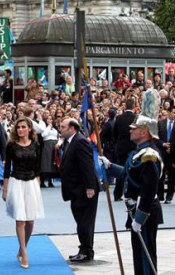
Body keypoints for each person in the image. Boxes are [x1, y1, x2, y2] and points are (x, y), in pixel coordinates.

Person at [99, 110, 163, 275]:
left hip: (145, 210)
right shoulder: (139, 152)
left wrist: (140, 218)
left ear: (144, 132)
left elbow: (148, 191)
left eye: (134, 128)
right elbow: (130, 175)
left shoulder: (150, 156)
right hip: (136, 208)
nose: (130, 130)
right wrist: (110, 166)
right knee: (138, 252)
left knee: (145, 253)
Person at [2, 117, 44, 269]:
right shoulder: (11, 146)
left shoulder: (36, 145)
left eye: (23, 127)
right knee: (20, 220)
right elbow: (7, 169)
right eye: (18, 127)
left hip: (32, 182)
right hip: (16, 182)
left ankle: (22, 246)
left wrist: (38, 186)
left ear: (29, 129)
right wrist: (5, 189)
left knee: (30, 221)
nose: (20, 130)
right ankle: (25, 253)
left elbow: (38, 167)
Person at [59, 118, 99, 262]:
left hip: (84, 189)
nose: (60, 128)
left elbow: (87, 166)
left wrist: (89, 187)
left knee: (84, 221)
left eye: (63, 126)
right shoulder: (70, 141)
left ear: (72, 128)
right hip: (76, 189)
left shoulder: (80, 141)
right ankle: (85, 248)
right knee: (81, 220)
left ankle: (86, 251)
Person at [113, 98, 136, 201]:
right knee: (133, 171)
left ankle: (117, 194)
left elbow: (115, 133)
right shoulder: (136, 118)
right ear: (134, 107)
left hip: (121, 148)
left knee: (120, 171)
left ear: (125, 107)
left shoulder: (118, 118)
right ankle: (130, 193)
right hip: (133, 148)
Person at [157, 107, 175, 203]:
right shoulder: (160, 123)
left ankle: (169, 197)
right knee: (161, 175)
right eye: (173, 112)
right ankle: (160, 195)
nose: (174, 114)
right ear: (168, 112)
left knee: (172, 176)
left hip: (172, 154)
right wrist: (163, 144)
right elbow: (156, 137)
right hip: (162, 153)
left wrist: (171, 147)